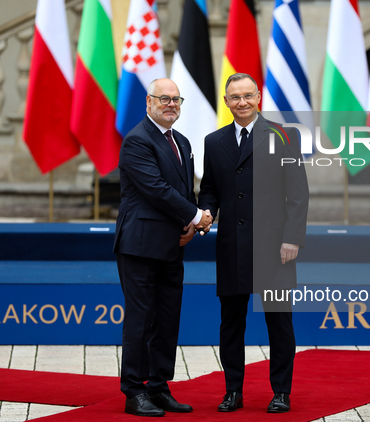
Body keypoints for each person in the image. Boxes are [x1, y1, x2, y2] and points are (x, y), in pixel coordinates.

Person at [199, 73, 309, 413]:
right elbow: (210, 191)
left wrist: (292, 239)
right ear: (226, 101)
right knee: (231, 324)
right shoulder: (214, 142)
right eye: (235, 97)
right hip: (232, 248)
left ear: (258, 97)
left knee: (279, 322)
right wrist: (205, 214)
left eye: (248, 95)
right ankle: (233, 391)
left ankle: (281, 392)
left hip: (276, 250)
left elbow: (298, 193)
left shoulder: (284, 135)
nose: (242, 102)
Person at [113, 78, 212, 417]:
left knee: (168, 320)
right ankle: (134, 391)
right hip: (140, 246)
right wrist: (197, 216)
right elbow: (155, 189)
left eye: (176, 99)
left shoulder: (181, 141)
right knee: (141, 320)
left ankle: (158, 387)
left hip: (173, 244)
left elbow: (185, 192)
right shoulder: (137, 141)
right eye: (164, 99)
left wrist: (190, 222)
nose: (171, 104)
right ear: (148, 102)